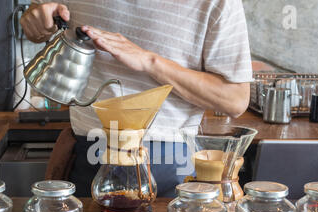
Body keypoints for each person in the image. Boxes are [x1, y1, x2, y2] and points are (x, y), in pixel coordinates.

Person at [21, 0, 253, 197]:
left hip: (171, 164)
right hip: (88, 154)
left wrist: (149, 62)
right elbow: (37, 25)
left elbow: (235, 99)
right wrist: (36, 20)